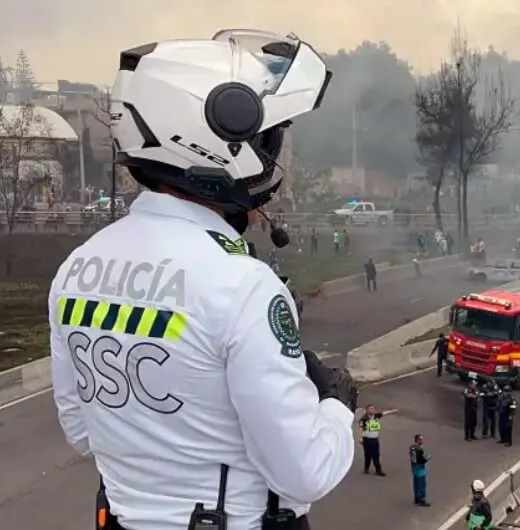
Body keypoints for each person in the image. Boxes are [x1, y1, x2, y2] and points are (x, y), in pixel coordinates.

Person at [49, 30, 356, 530]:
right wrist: (337, 408)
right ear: (220, 137)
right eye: (266, 139)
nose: (270, 155)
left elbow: (82, 432)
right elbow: (305, 472)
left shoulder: (76, 270)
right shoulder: (244, 287)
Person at [358, 405, 398, 476]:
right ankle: (368, 469)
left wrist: (393, 411)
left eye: (373, 409)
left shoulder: (376, 416)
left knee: (376, 455)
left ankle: (378, 470)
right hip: (367, 439)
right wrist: (361, 438)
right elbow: (361, 428)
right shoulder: (364, 419)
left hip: (375, 439)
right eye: (370, 409)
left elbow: (384, 413)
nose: (372, 410)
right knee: (368, 455)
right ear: (367, 410)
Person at [408, 434, 430, 507]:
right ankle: (421, 499)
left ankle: (416, 498)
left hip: (414, 468)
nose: (422, 441)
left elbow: (413, 459)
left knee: (416, 484)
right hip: (420, 468)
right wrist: (427, 457)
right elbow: (421, 460)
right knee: (421, 484)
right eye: (421, 439)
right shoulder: (419, 450)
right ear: (418, 440)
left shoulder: (412, 448)